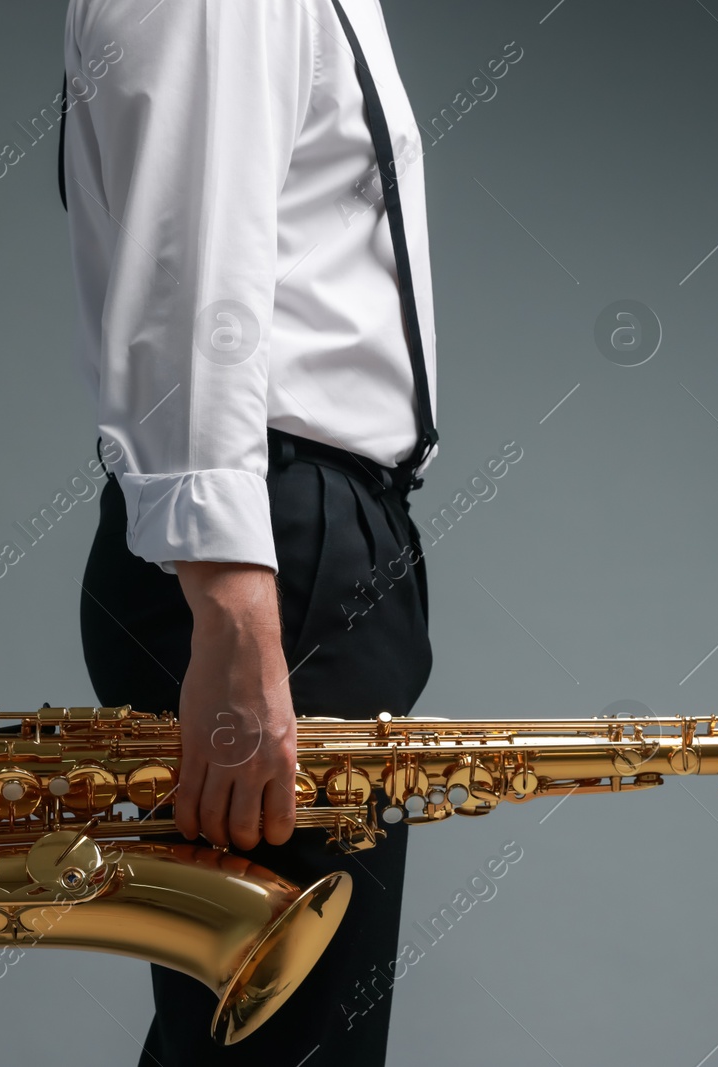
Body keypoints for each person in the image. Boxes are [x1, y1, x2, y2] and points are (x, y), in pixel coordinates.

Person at [60, 1, 439, 1063]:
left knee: (259, 1038)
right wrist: (230, 601)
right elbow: (193, 273)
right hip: (274, 538)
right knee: (276, 1046)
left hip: (295, 530)